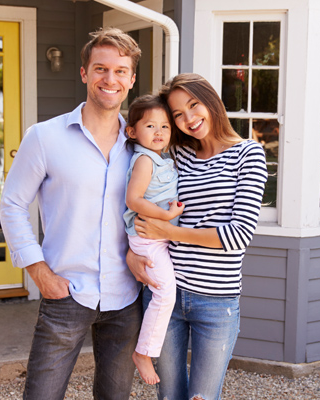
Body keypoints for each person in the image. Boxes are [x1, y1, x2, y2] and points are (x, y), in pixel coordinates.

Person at [0, 27, 142, 400]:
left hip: (126, 297)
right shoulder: (45, 137)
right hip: (65, 293)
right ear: (84, 73)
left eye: (120, 71)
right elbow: (12, 203)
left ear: (131, 78)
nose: (109, 79)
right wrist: (38, 270)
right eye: (100, 69)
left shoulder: (140, 145)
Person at [128, 73, 268, 400]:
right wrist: (130, 252)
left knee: (202, 397)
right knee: (170, 395)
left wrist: (169, 230)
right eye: (177, 114)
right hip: (167, 293)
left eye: (193, 105)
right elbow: (136, 195)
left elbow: (238, 235)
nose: (188, 119)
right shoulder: (177, 155)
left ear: (212, 101)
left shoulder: (248, 154)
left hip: (217, 303)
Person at [122, 94, 184, 385]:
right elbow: (133, 199)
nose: (159, 132)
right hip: (148, 238)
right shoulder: (145, 160)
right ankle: (143, 353)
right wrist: (165, 216)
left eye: (165, 127)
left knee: (163, 290)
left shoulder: (163, 159)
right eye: (150, 126)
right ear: (132, 131)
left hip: (156, 237)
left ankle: (146, 350)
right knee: (165, 293)